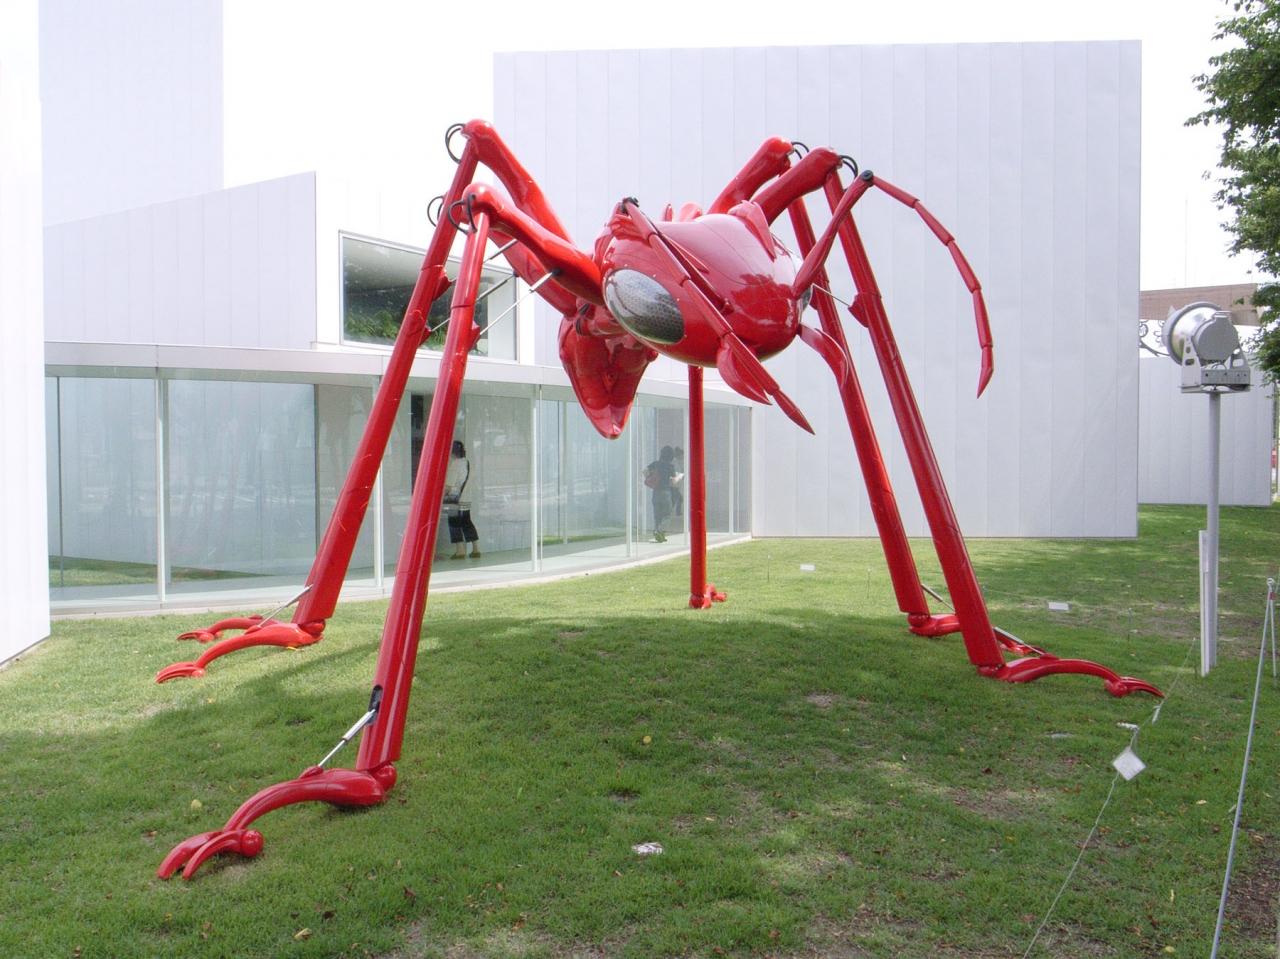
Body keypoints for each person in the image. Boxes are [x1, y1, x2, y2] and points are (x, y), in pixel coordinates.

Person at [444, 440, 480, 559]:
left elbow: (449, 486)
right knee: (467, 522)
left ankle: (460, 550)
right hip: (466, 498)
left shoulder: (455, 464)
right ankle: (476, 549)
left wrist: (442, 495)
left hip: (454, 499)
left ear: (452, 452)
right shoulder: (468, 463)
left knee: (454, 523)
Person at [644, 445, 681, 543]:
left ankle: (659, 535)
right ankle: (660, 531)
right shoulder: (670, 466)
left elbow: (644, 471)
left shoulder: (655, 464)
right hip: (666, 493)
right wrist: (680, 476)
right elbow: (673, 481)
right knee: (667, 514)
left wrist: (650, 477)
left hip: (655, 492)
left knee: (657, 515)